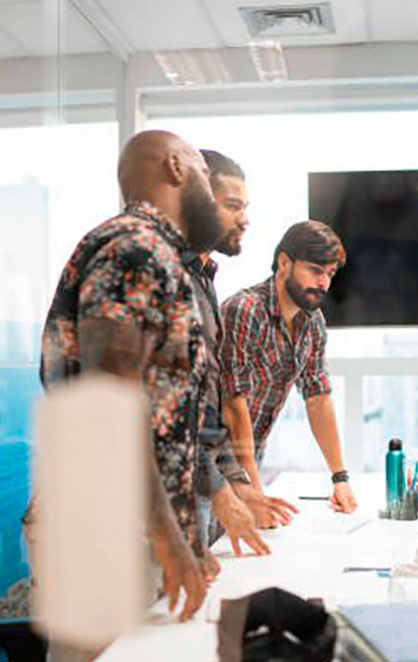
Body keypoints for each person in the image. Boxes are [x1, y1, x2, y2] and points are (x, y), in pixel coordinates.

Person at [35, 130, 265, 628]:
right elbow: (107, 410)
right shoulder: (134, 250)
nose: (209, 190)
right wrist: (169, 537)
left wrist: (186, 533)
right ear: (177, 168)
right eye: (204, 175)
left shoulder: (161, 258)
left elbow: (172, 416)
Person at [188, 150, 298, 550]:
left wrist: (237, 483)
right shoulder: (163, 274)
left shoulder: (202, 278)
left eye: (245, 207)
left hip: (199, 476)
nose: (245, 219)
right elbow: (160, 407)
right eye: (233, 206)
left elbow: (206, 403)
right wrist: (224, 488)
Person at [220, 220, 358, 512]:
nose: (324, 283)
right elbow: (233, 403)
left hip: (250, 458)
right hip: (212, 464)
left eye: (330, 274)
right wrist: (253, 491)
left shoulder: (313, 322)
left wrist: (340, 479)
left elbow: (318, 397)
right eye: (316, 271)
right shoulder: (245, 310)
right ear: (284, 262)